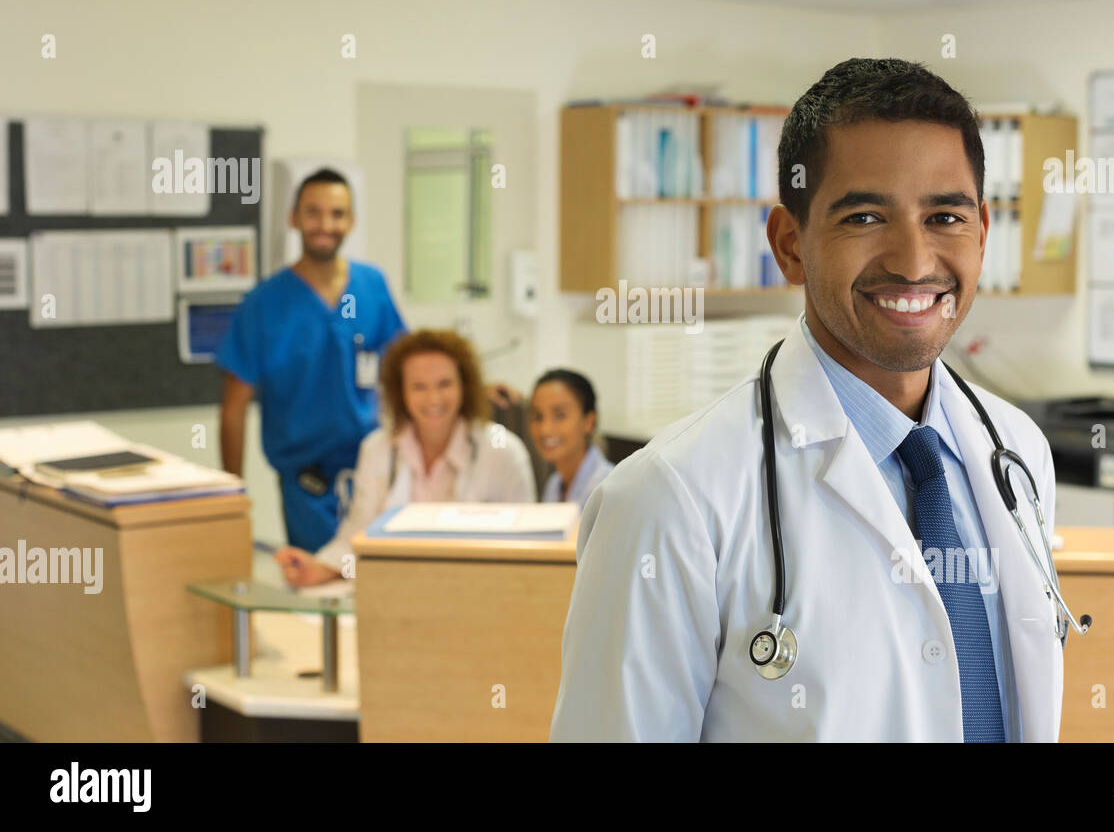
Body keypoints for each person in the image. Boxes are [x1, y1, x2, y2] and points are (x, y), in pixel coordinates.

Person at [550, 58, 1067, 742]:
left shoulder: (1017, 452)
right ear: (790, 246)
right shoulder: (669, 498)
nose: (914, 261)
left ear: (982, 234)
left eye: (945, 215)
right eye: (864, 216)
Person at [218, 168, 406, 554]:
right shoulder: (264, 304)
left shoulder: (372, 287)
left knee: (380, 587)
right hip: (308, 485)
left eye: (337, 214)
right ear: (293, 218)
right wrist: (232, 498)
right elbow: (233, 409)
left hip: (374, 473)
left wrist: (473, 386)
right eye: (313, 212)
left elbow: (409, 369)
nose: (325, 224)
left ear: (352, 221)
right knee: (320, 590)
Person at [278, 329, 537, 587]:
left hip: (479, 595)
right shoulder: (377, 448)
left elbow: (527, 550)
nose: (433, 398)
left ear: (465, 386)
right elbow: (355, 538)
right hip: (397, 594)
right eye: (419, 387)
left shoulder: (503, 452)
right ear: (400, 392)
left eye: (444, 384)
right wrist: (320, 568)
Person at [529, 369, 613, 512]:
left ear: (589, 421)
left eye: (560, 415)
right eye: (538, 416)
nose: (545, 429)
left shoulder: (608, 488)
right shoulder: (554, 484)